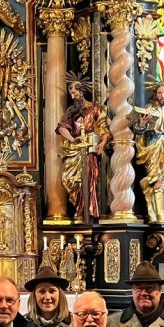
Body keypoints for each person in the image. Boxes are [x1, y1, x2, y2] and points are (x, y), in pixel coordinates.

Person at [57, 75, 110, 221]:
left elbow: (104, 130)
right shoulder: (71, 111)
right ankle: (79, 208)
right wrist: (72, 139)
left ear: (81, 92)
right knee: (68, 179)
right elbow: (62, 128)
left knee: (87, 179)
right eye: (71, 93)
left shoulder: (96, 109)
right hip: (75, 148)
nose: (72, 96)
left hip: (90, 147)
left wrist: (102, 143)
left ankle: (83, 211)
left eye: (74, 92)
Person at [131, 80, 164, 224]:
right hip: (152, 145)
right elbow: (138, 129)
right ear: (155, 94)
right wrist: (142, 123)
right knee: (155, 177)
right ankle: (154, 212)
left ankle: (158, 214)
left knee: (160, 179)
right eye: (160, 93)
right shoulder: (148, 108)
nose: (162, 95)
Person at [25, 262, 73, 327]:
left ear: (60, 295)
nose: (47, 297)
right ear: (34, 296)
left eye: (52, 291)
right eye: (42, 291)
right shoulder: (24, 324)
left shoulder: (73, 324)